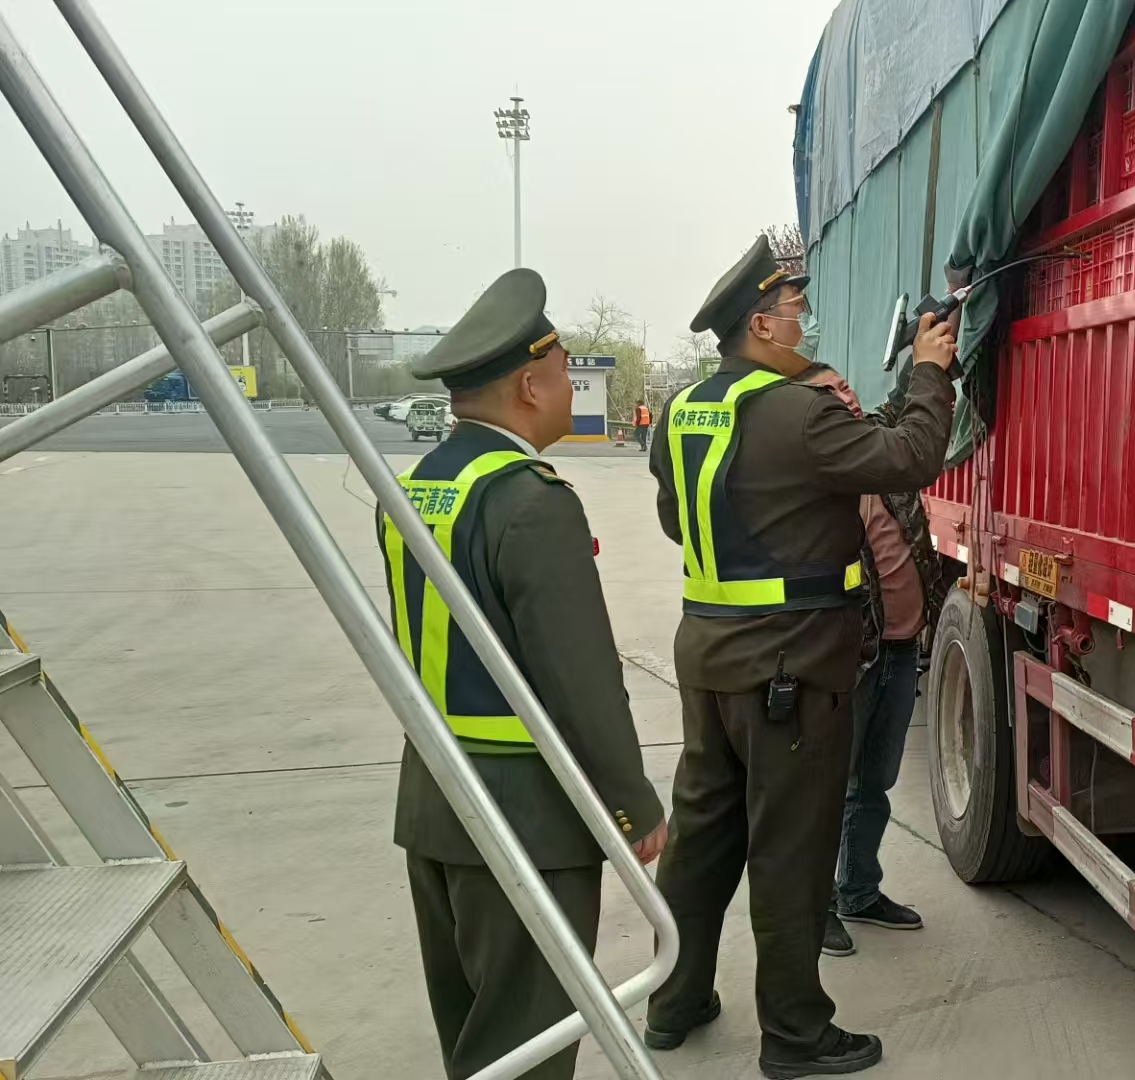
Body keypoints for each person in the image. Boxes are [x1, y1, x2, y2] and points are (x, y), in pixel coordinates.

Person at [644, 235, 957, 1079]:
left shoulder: (683, 410)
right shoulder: (798, 411)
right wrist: (930, 372)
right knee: (791, 848)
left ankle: (674, 1001)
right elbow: (910, 458)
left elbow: (678, 519)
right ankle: (794, 1034)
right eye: (795, 309)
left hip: (709, 655)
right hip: (791, 667)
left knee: (702, 838)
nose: (805, 321)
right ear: (760, 325)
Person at [380, 267, 668, 1080]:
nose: (571, 388)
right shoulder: (532, 502)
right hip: (527, 817)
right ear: (530, 386)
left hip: (435, 803)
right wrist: (632, 803)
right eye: (564, 372)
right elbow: (581, 679)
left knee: (476, 1042)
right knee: (528, 1052)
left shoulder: (419, 487)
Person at [797, 368, 932, 958]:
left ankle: (858, 890)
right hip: (850, 657)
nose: (846, 395)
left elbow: (909, 402)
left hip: (902, 650)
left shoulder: (881, 450)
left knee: (875, 781)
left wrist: (929, 354)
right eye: (829, 392)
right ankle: (817, 907)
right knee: (830, 788)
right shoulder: (815, 474)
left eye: (846, 385)